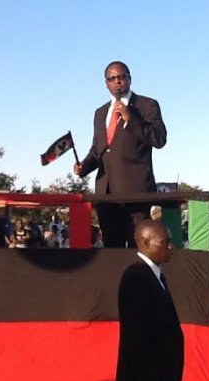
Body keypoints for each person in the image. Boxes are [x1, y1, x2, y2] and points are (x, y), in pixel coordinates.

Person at [74, 61, 167, 248]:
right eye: (113, 78)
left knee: (138, 248)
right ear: (106, 83)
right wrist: (84, 167)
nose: (118, 81)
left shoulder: (146, 105)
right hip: (106, 195)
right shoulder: (100, 113)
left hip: (136, 193)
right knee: (112, 249)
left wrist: (130, 119)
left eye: (122, 77)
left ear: (130, 79)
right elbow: (98, 149)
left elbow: (159, 139)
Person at [115, 220, 184, 381]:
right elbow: (138, 340)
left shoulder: (155, 275)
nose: (171, 246)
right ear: (145, 242)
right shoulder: (136, 278)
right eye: (165, 241)